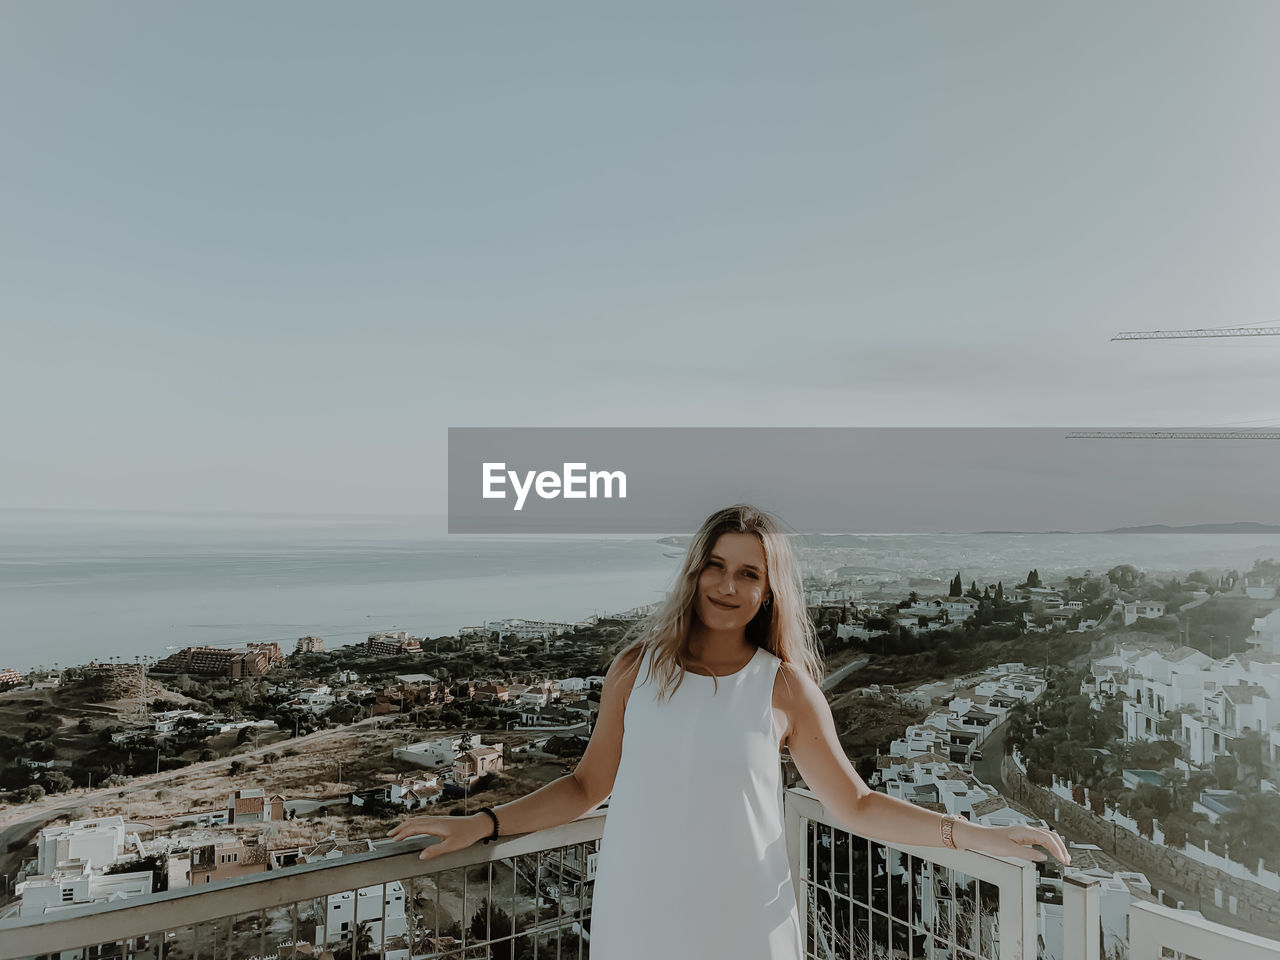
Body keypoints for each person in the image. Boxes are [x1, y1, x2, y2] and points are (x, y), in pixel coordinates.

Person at [389, 504, 1071, 959]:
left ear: (769, 591)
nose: (726, 584)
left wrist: (984, 837)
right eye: (715, 565)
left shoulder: (784, 688)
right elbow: (584, 785)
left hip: (745, 926)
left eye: (749, 572)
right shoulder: (637, 669)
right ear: (694, 570)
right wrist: (480, 823)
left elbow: (856, 805)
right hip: (638, 920)